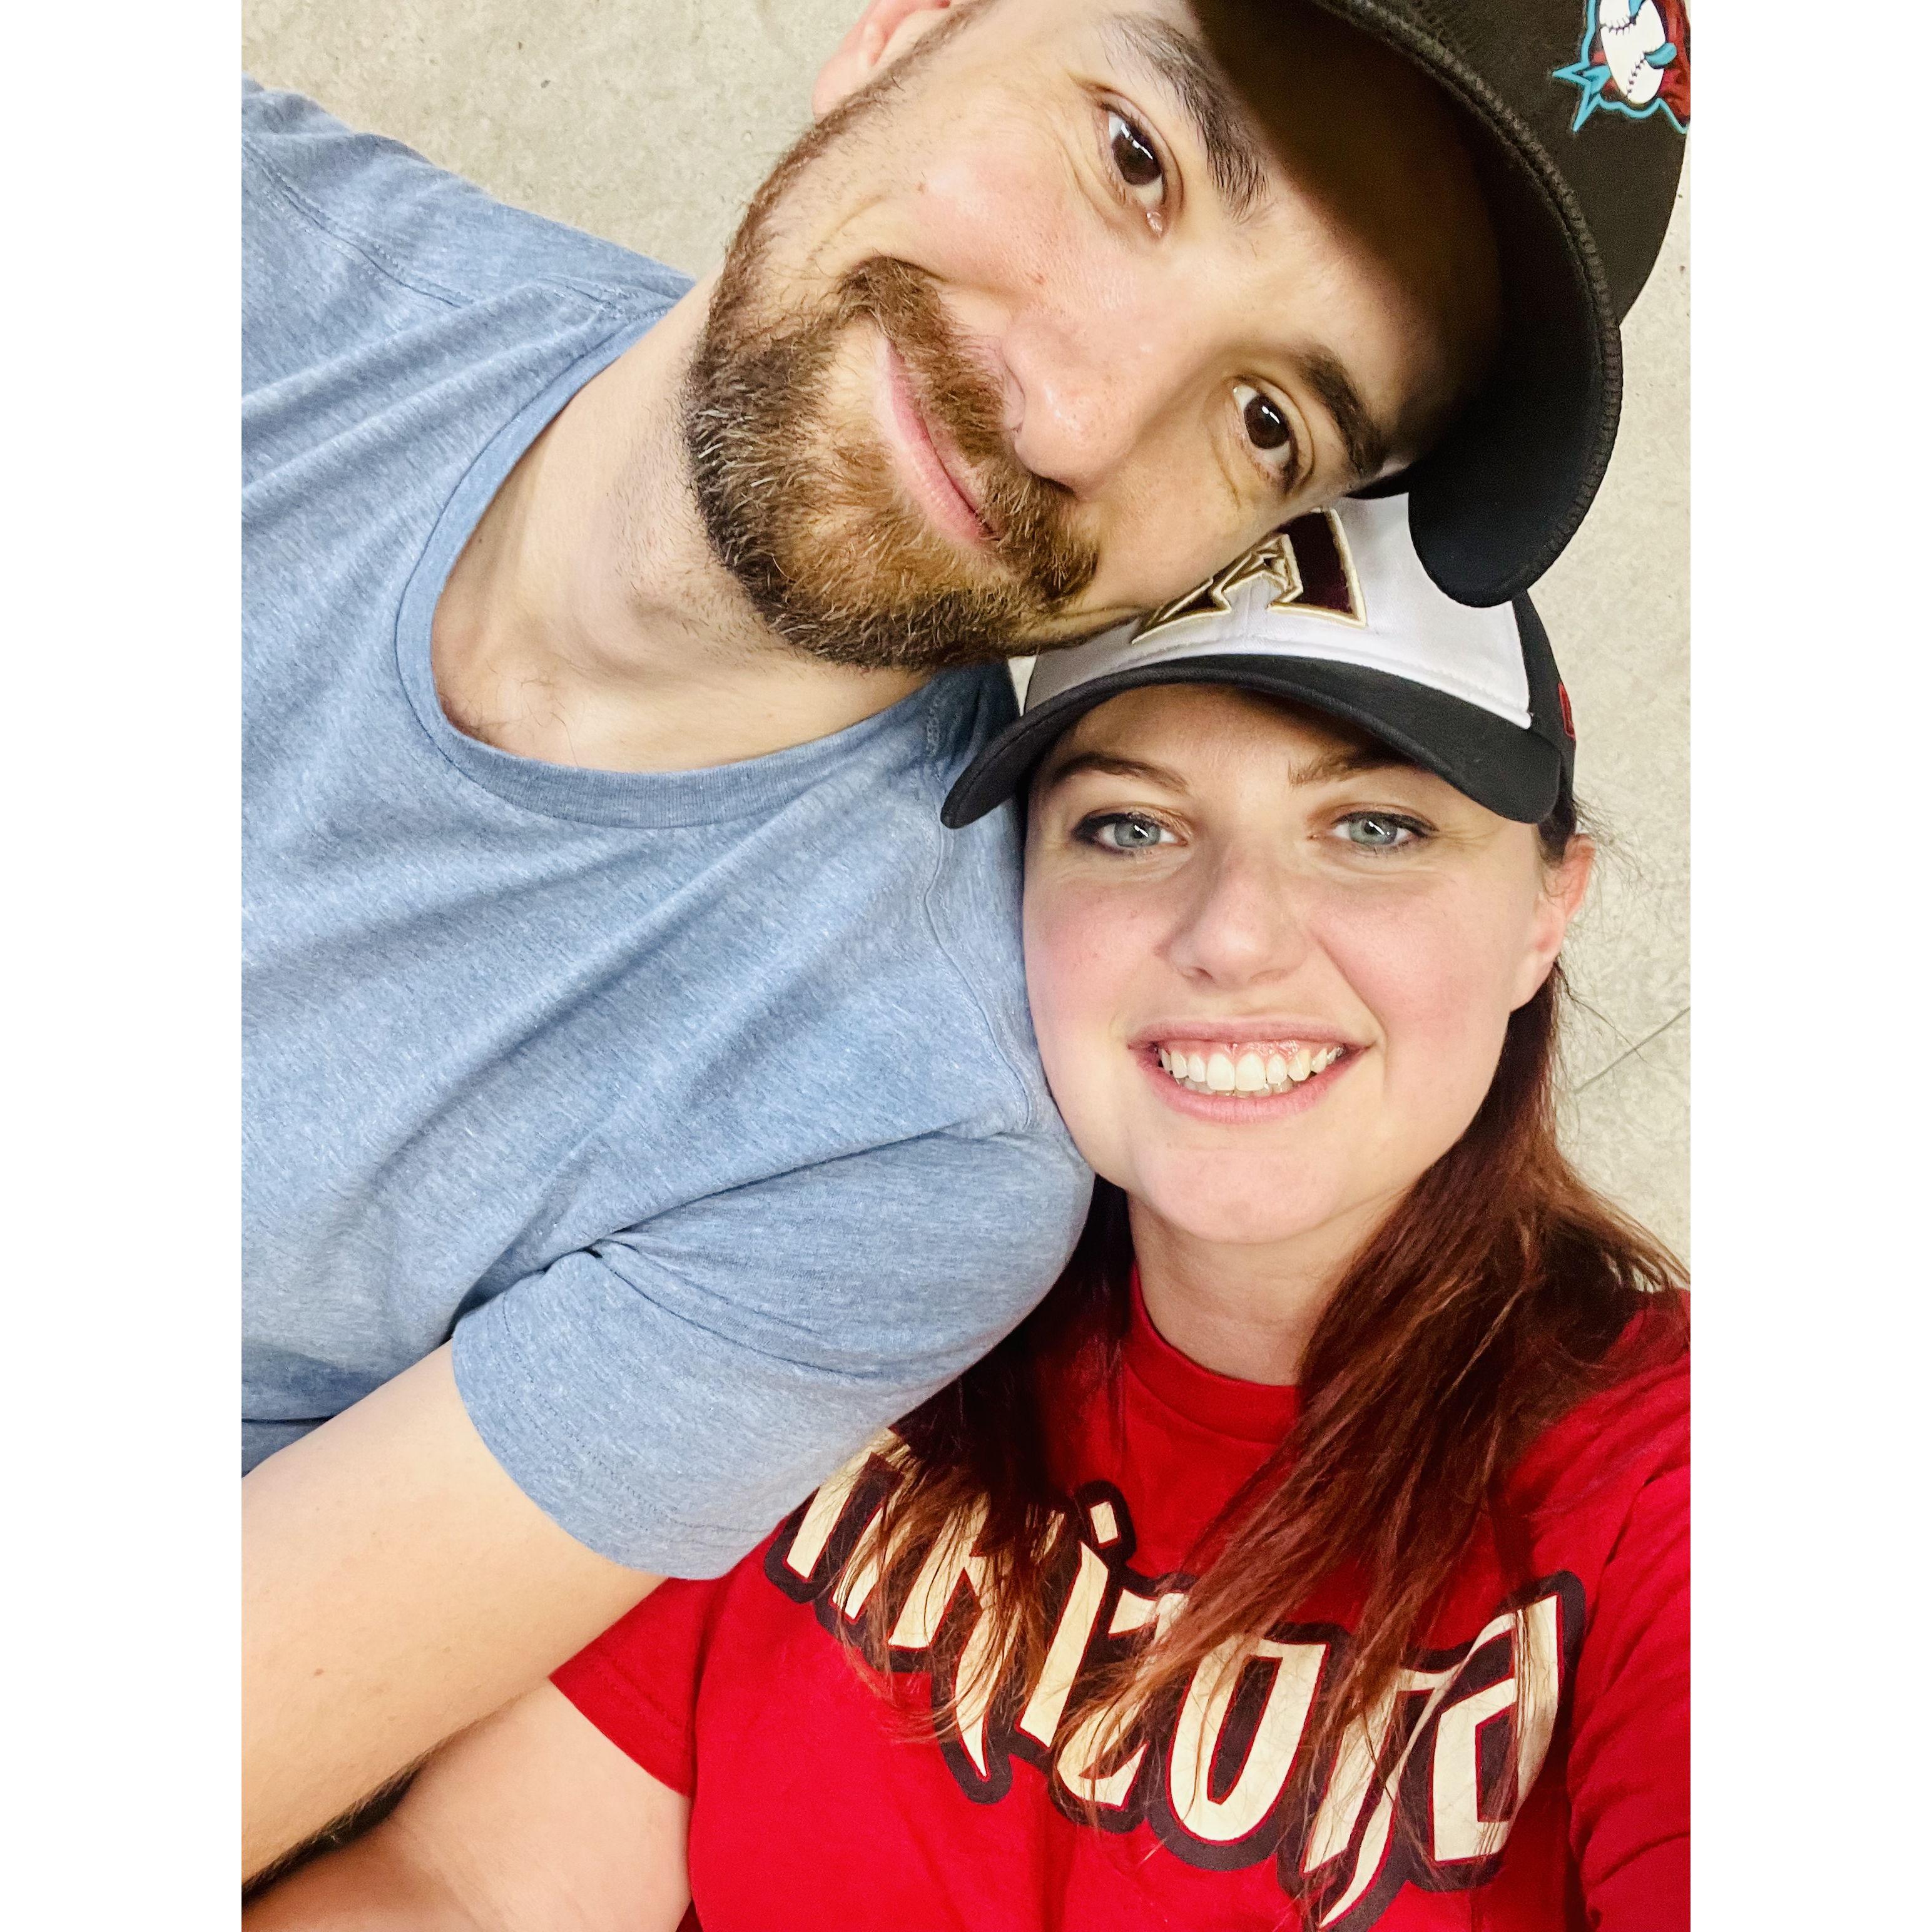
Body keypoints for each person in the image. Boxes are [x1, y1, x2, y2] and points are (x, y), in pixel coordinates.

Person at [241, 0, 1687, 1875]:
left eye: (1268, 420)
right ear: (913, 25)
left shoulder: (901, 1147)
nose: (1073, 416)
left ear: (1552, 906)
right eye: (1137, 159)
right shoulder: (254, 233)